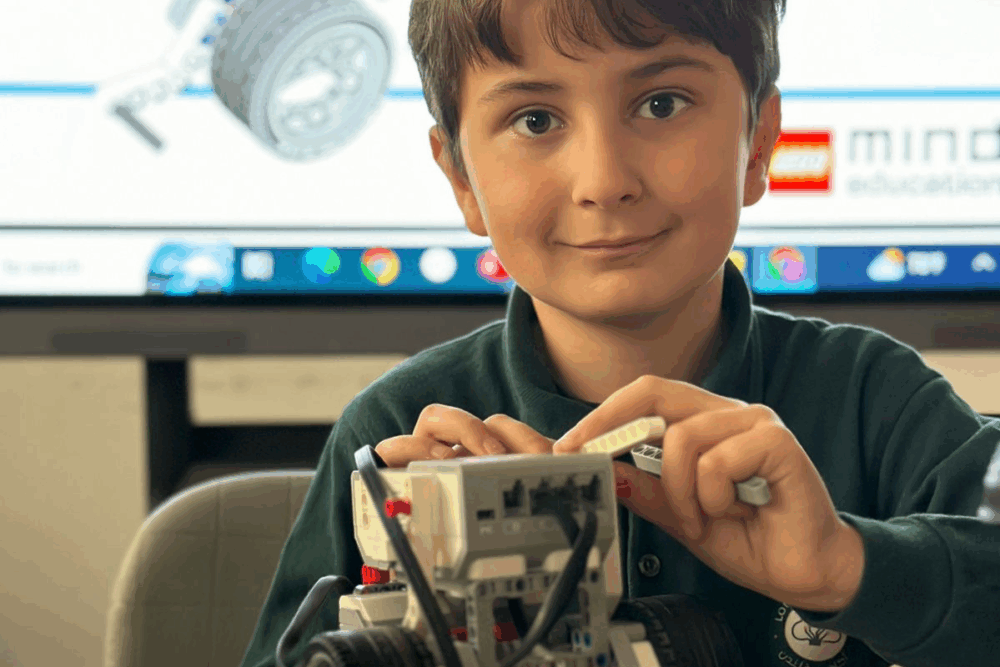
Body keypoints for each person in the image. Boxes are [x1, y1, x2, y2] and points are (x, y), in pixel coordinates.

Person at [239, 1, 1000, 666]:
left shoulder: (876, 403)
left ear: (759, 140)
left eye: (662, 103)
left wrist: (848, 564)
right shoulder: (395, 437)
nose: (604, 180)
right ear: (462, 179)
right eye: (535, 120)